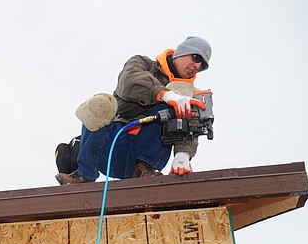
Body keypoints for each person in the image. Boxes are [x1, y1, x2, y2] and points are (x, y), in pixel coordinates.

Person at [56, 36, 212, 184]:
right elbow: (130, 80)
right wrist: (166, 95)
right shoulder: (143, 63)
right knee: (102, 102)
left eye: (202, 66)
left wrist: (182, 156)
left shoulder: (189, 95)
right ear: (181, 52)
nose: (197, 67)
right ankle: (84, 174)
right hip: (112, 145)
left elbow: (191, 126)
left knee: (179, 97)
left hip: (144, 158)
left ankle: (143, 168)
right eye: (196, 58)